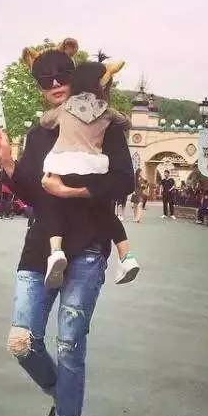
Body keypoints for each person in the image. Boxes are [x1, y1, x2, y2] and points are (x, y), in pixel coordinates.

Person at [0, 38, 134, 416]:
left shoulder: (104, 123)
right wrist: (6, 160)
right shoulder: (39, 132)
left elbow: (124, 180)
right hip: (41, 248)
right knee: (22, 342)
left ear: (76, 77)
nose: (54, 85)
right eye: (44, 80)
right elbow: (33, 193)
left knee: (69, 342)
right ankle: (62, 396)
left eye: (61, 76)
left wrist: (74, 192)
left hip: (87, 246)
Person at [38, 61, 140, 288]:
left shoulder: (65, 108)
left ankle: (56, 252)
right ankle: (127, 256)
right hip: (93, 167)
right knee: (104, 211)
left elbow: (45, 121)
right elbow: (126, 122)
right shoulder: (106, 112)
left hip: (63, 164)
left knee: (54, 203)